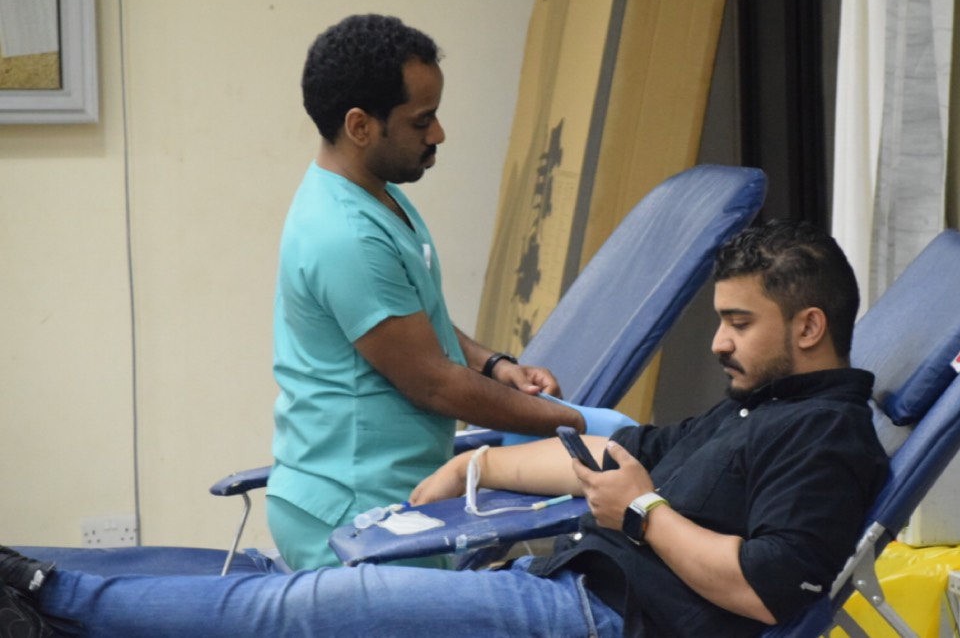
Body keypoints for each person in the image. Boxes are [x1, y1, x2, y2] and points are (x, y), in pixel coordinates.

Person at [2, 219, 890, 637]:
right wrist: (483, 472)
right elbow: (624, 453)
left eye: (738, 323)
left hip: (597, 619)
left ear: (808, 327)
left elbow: (768, 589)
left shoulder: (825, 437)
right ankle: (51, 589)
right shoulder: (759, 405)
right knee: (297, 594)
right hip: (567, 583)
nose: (718, 342)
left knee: (305, 608)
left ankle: (50, 596)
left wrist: (644, 513)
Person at [269, 13, 632, 569]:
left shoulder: (378, 195)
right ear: (360, 126)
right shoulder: (345, 233)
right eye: (422, 120)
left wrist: (494, 365)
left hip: (392, 493)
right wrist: (575, 425)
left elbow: (414, 318)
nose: (438, 134)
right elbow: (433, 384)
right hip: (355, 508)